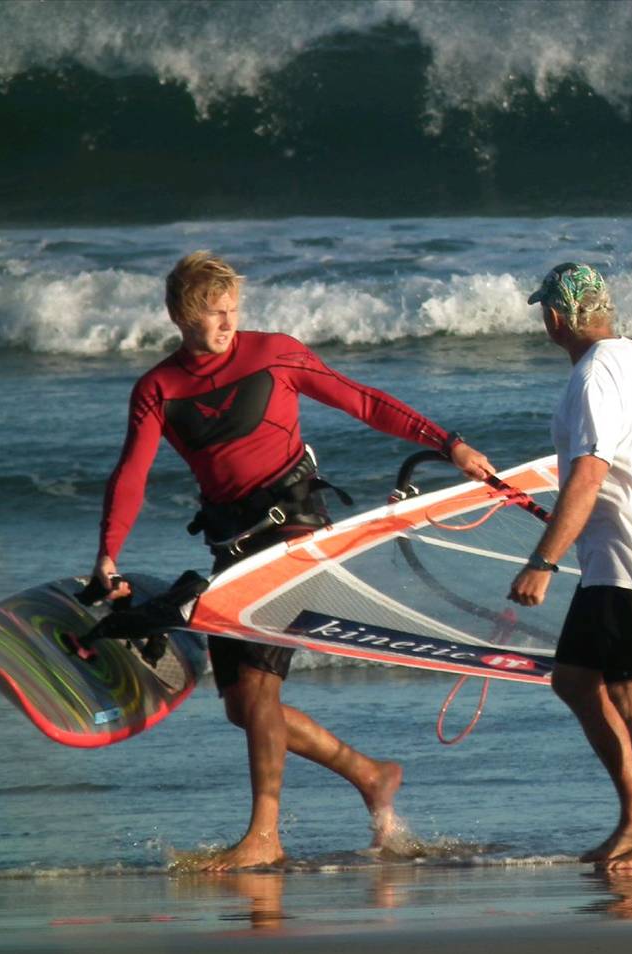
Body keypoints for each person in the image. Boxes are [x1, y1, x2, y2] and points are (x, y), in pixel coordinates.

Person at [90, 251, 493, 870]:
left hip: (295, 533)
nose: (228, 323)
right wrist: (108, 555)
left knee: (257, 691)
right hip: (230, 549)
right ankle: (370, 774)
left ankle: (264, 837)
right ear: (180, 316)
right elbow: (132, 474)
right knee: (242, 707)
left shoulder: (272, 354)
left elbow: (363, 401)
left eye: (232, 310)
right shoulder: (158, 389)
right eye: (214, 313)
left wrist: (448, 443)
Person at [507, 262, 632, 871]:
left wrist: (543, 561)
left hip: (629, 554)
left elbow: (589, 472)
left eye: (545, 312)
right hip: (629, 549)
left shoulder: (592, 376)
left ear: (555, 318)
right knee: (574, 679)